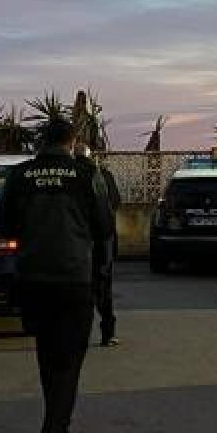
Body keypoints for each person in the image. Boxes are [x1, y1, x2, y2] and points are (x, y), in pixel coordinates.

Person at [0, 119, 113, 433]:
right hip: (73, 278)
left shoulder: (20, 176)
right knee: (70, 361)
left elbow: (5, 226)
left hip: (32, 278)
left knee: (48, 357)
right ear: (72, 141)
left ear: (40, 141)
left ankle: (56, 429)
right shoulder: (84, 174)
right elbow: (105, 226)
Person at [76, 143, 122, 346]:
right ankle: (108, 333)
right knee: (103, 288)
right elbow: (115, 202)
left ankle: (77, 335)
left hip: (77, 240)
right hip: (103, 241)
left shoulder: (71, 177)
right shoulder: (104, 176)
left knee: (77, 288)